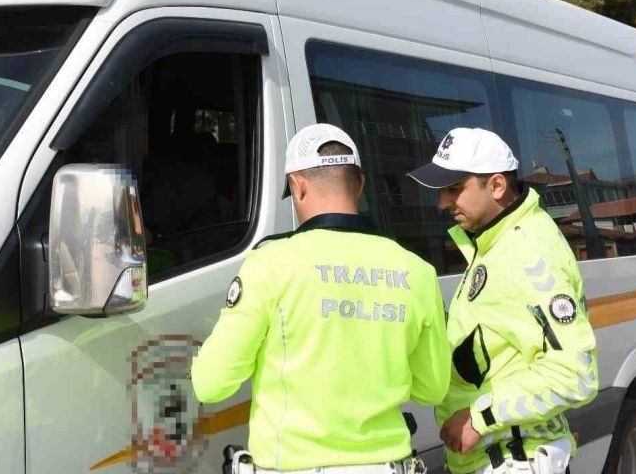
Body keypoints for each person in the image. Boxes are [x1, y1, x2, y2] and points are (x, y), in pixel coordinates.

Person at [192, 123, 449, 474]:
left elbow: (211, 384)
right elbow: (432, 389)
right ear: (359, 184)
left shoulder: (270, 264)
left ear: (298, 186)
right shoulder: (417, 271)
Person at [407, 127, 599, 474]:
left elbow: (575, 374)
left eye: (454, 189)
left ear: (496, 185)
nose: (443, 202)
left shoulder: (528, 252)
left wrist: (480, 418)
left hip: (513, 461)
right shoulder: (496, 243)